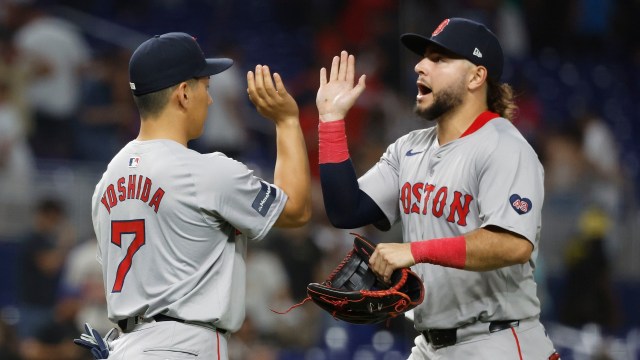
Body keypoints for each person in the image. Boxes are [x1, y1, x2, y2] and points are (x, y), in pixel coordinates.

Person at [315, 18, 560, 359]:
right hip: (430, 344)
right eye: (423, 57)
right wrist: (331, 123)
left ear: (477, 76)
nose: (420, 66)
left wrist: (416, 250)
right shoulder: (408, 148)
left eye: (440, 58)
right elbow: (347, 210)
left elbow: (512, 243)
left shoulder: (504, 146)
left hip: (497, 339)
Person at [89, 32, 311, 359]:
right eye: (205, 88)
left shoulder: (108, 179)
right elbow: (296, 209)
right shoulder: (206, 172)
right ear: (183, 94)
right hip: (183, 345)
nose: (209, 99)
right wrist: (287, 121)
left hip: (125, 346)